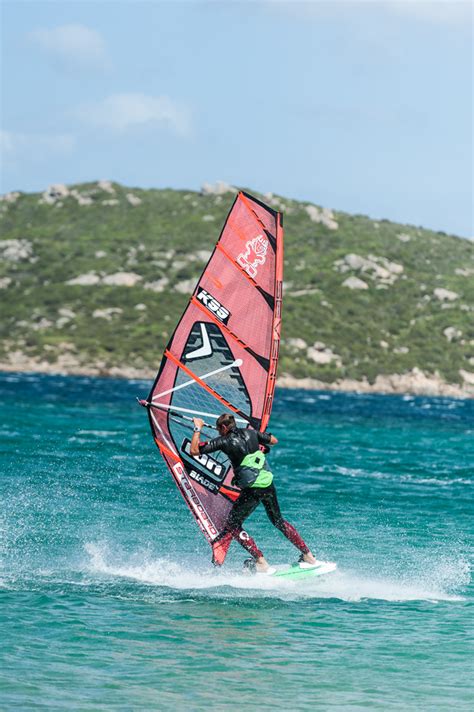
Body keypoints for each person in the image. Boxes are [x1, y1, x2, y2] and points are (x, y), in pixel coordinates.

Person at [191, 413, 317, 573]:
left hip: (253, 488)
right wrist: (259, 440)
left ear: (223, 428)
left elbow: (194, 450)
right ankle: (308, 556)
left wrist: (198, 428)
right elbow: (273, 440)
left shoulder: (224, 441)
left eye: (218, 430)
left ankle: (261, 562)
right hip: (267, 483)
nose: (218, 433)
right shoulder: (250, 432)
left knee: (232, 524)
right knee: (278, 520)